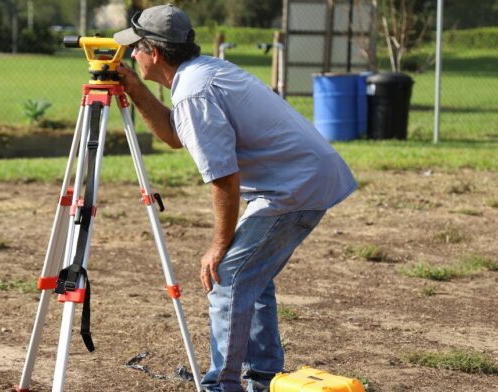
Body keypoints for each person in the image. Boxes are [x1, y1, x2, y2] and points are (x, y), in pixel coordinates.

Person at [113, 5, 357, 392]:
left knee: (226, 277)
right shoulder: (202, 72)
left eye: (134, 49)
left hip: (292, 188)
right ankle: (263, 377)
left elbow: (224, 176)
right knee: (251, 278)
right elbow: (176, 136)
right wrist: (135, 89)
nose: (130, 55)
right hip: (302, 179)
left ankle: (221, 386)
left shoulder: (195, 91)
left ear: (154, 53)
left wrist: (218, 244)